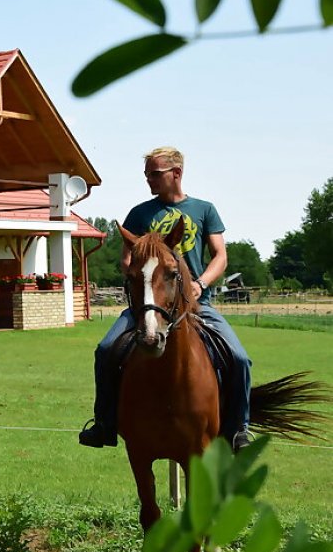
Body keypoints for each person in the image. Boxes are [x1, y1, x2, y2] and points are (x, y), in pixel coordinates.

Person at [78, 147, 252, 452]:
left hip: (197, 306)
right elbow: (126, 259)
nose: (149, 180)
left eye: (155, 174)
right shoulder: (140, 214)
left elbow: (220, 256)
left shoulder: (204, 210)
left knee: (239, 358)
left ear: (177, 173)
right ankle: (104, 424)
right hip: (147, 305)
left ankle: (239, 430)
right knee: (105, 350)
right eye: (146, 175)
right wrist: (142, 281)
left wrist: (200, 283)